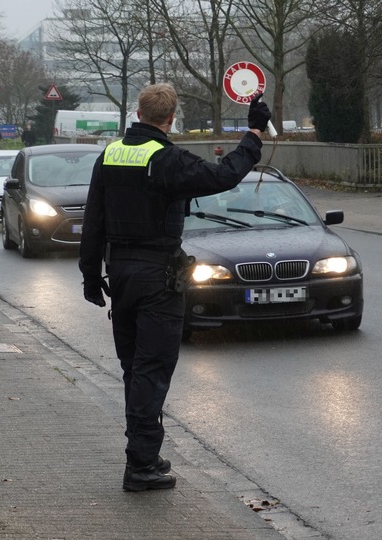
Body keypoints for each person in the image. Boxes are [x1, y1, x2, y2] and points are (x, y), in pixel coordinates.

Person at [79, 83, 271, 492]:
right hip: (158, 280)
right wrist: (253, 136)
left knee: (135, 369)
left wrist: (90, 277)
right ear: (170, 118)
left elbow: (92, 219)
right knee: (152, 370)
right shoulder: (167, 159)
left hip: (122, 276)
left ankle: (145, 452)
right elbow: (224, 175)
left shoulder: (109, 155)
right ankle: (141, 466)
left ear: (137, 112)